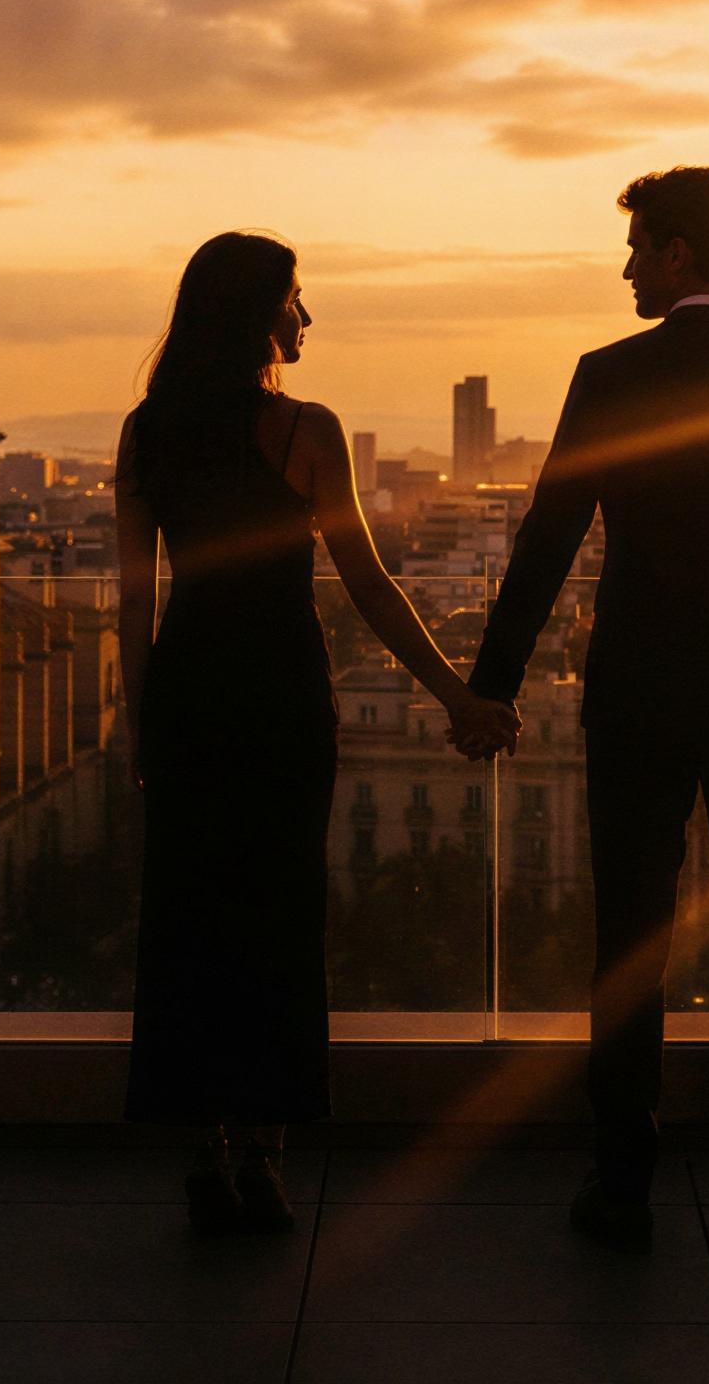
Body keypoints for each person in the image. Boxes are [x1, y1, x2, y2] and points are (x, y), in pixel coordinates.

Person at [468, 168, 709, 1253]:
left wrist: (490, 685)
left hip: (637, 690)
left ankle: (623, 1183)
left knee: (628, 937)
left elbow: (548, 538)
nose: (628, 264)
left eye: (638, 246)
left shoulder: (610, 374)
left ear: (678, 253)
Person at [116, 232, 519, 1235]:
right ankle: (264, 1149)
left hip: (190, 693)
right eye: (296, 299)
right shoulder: (305, 428)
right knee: (278, 918)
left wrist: (140, 726)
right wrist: (453, 694)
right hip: (281, 693)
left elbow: (132, 601)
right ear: (259, 313)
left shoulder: (145, 430)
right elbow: (369, 582)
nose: (308, 316)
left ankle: (201, 1151)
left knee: (188, 923)